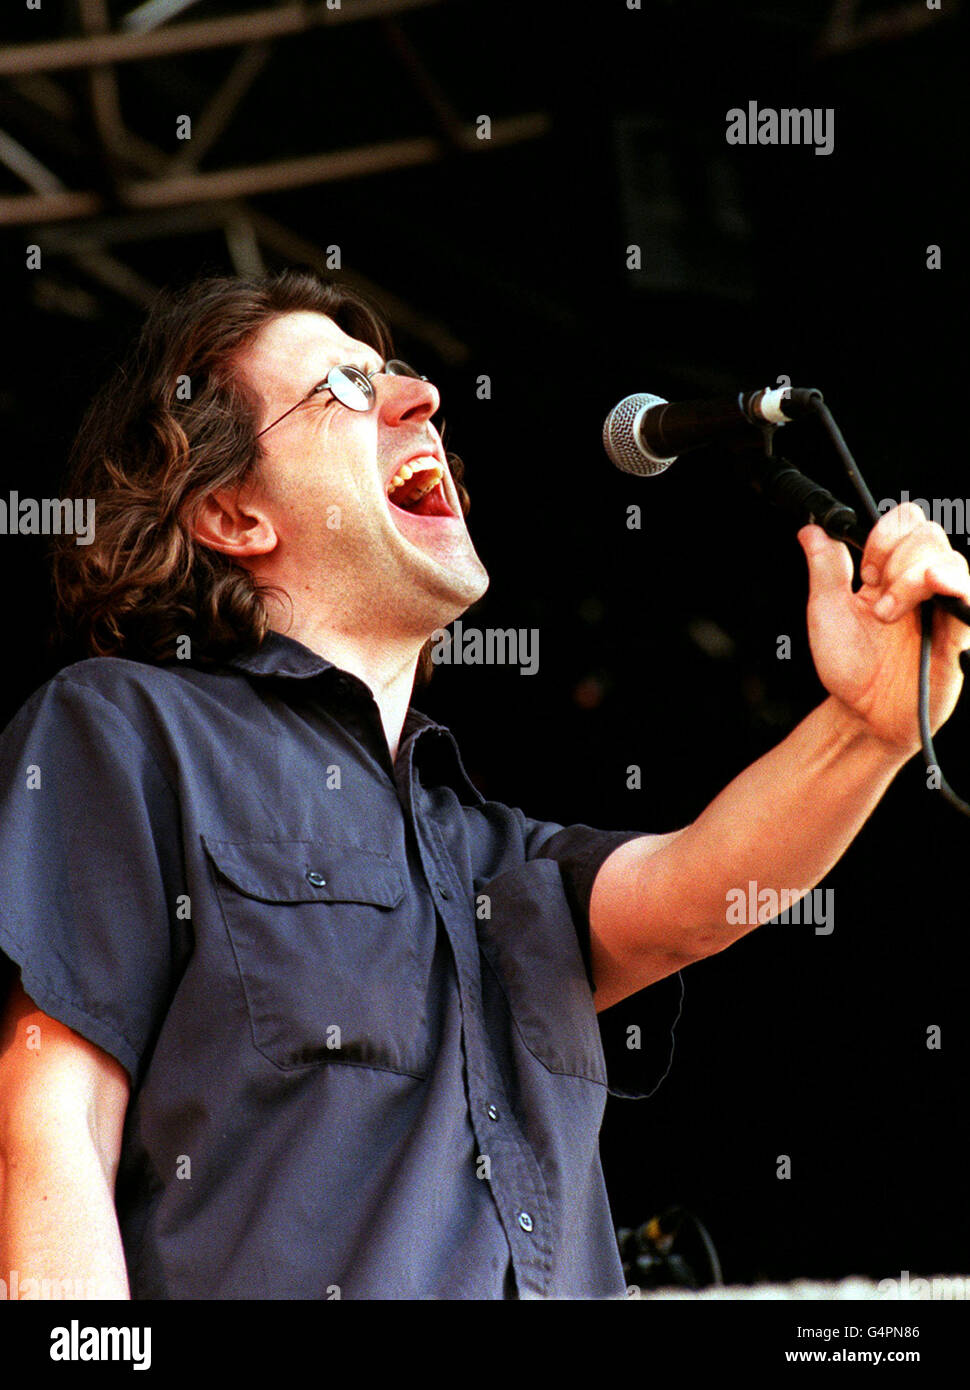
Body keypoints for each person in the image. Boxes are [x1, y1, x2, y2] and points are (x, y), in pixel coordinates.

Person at [0, 271, 967, 1301]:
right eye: (345, 388)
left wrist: (868, 727)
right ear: (233, 515)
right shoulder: (126, 730)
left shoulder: (483, 843)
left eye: (405, 381)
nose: (420, 402)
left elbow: (697, 891)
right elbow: (50, 1126)